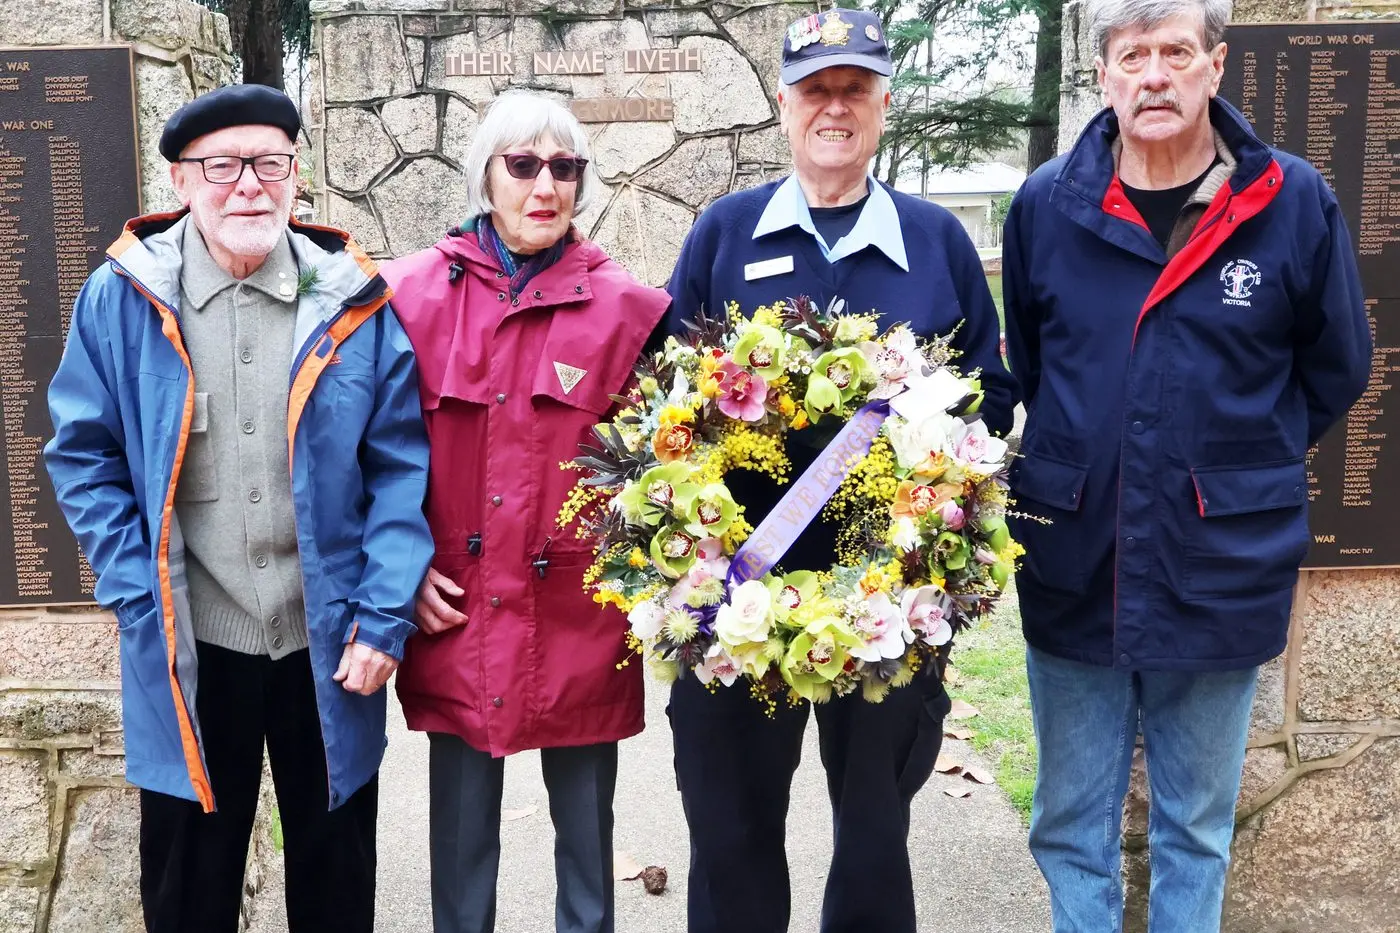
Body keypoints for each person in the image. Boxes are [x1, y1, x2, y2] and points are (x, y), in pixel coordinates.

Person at [1000, 0, 1372, 929]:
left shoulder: (1291, 200)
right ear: (1104, 77)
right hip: (1073, 559)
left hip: (1220, 568)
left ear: (1215, 66)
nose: (1153, 75)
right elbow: (1036, 367)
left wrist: (1240, 467)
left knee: (1196, 830)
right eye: (1133, 56)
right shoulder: (1048, 204)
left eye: (1175, 52)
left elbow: (1337, 367)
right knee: (1069, 824)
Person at [43, 84, 433, 933]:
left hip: (327, 645)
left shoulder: (351, 302)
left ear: (296, 177)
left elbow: (400, 466)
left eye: (270, 163)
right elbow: (82, 453)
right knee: (189, 889)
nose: (248, 184)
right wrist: (133, 587)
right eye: (222, 165)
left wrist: (382, 617)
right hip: (193, 643)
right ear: (181, 181)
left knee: (335, 885)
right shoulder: (121, 301)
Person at [660, 10, 1016, 933]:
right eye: (815, 87)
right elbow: (666, 404)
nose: (834, 106)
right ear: (784, 104)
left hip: (888, 610)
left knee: (871, 844)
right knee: (731, 842)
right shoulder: (724, 234)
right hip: (739, 601)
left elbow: (987, 405)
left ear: (884, 105)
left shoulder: (937, 242)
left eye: (854, 88)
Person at [380, 91, 670, 933]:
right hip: (459, 610)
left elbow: (667, 473)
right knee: (461, 841)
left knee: (587, 837)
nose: (545, 185)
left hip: (578, 615)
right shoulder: (407, 296)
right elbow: (369, 455)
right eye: (524, 165)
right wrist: (403, 568)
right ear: (486, 176)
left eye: (565, 167)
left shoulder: (629, 310)